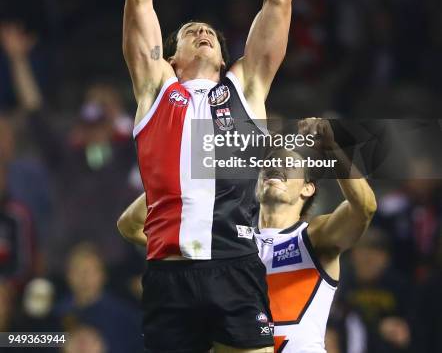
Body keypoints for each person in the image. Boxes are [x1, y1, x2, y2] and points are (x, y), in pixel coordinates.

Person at [122, 0, 292, 352]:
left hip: (236, 266)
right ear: (171, 56)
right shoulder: (156, 89)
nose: (202, 33)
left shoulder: (248, 86)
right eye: (190, 32)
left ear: (224, 53)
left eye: (212, 34)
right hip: (170, 275)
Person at [118, 118, 377, 353]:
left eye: (289, 164)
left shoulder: (313, 237)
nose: (276, 165)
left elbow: (364, 208)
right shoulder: (225, 241)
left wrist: (333, 148)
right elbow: (131, 225)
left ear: (308, 188)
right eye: (270, 162)